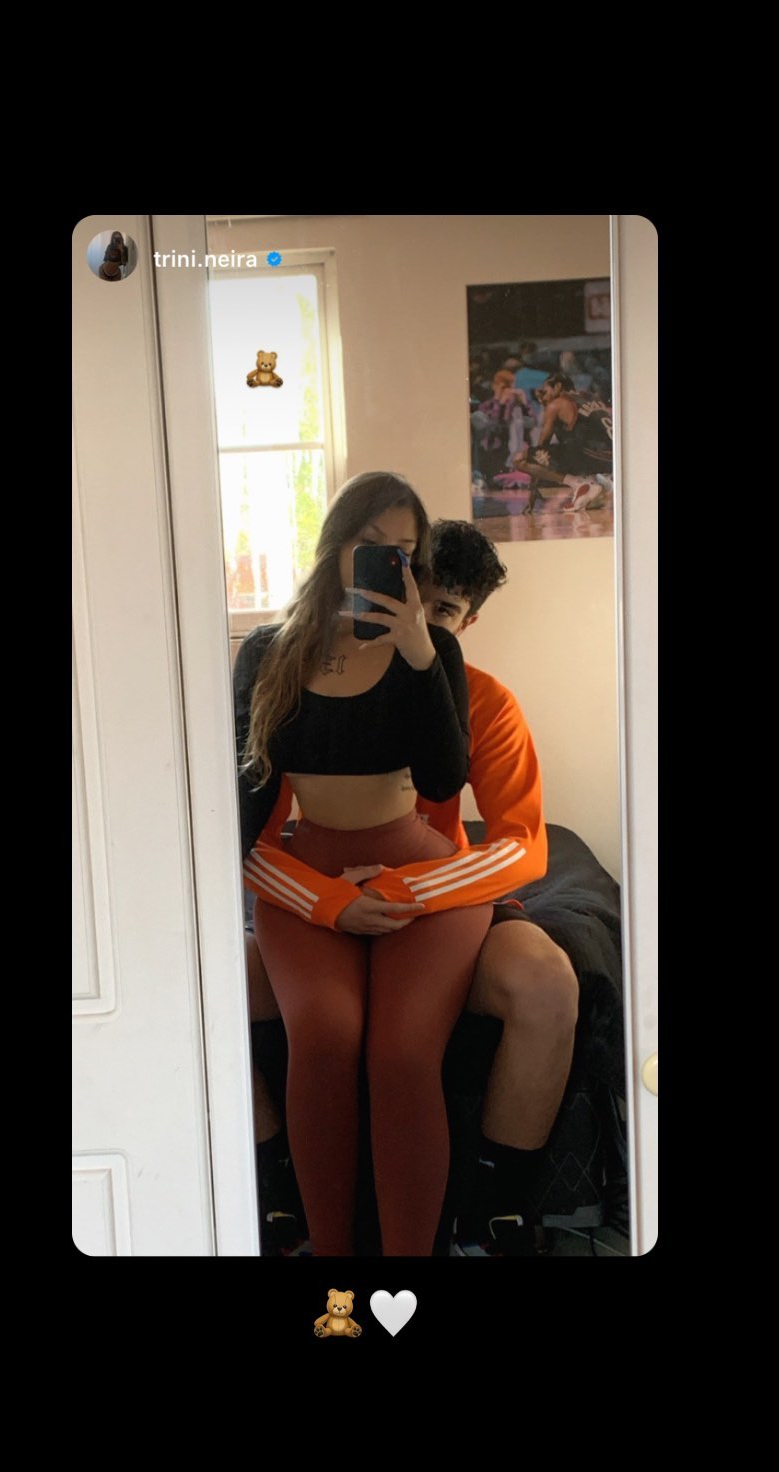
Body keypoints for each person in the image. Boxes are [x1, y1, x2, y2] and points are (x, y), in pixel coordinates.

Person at [247, 519, 578, 1257]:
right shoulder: (312, 683)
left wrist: (410, 888)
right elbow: (247, 835)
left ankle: (495, 1210)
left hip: (441, 898)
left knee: (547, 983)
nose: (416, 624)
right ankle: (275, 1185)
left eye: (443, 612)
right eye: (406, 598)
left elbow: (524, 844)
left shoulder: (485, 701)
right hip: (323, 897)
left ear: (468, 623)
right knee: (201, 989)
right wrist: (325, 898)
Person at [234, 472, 496, 1258]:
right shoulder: (268, 652)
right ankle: (334, 1261)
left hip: (419, 876)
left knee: (404, 1054)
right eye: (371, 544)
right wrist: (325, 901)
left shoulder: (435, 650)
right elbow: (242, 815)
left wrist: (419, 654)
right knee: (323, 1035)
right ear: (336, 544)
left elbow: (445, 783)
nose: (388, 562)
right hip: (313, 877)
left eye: (404, 552)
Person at [514, 371, 613, 512]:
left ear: (558, 387)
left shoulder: (557, 404)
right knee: (572, 443)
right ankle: (596, 483)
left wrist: (532, 489)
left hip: (591, 456)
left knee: (520, 458)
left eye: (545, 392)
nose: (544, 397)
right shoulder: (592, 397)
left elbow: (541, 448)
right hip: (611, 460)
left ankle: (579, 483)